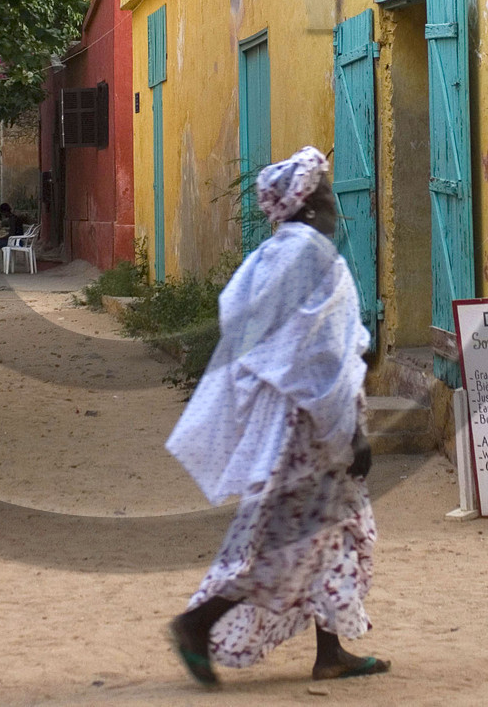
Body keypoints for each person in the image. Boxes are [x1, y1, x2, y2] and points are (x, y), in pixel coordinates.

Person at [165, 147, 385, 686]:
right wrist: (350, 432)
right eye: (327, 195)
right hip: (311, 429)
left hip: (286, 422)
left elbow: (251, 326)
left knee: (330, 535)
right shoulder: (313, 257)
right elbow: (320, 357)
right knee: (295, 542)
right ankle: (198, 622)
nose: (335, 205)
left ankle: (331, 653)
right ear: (306, 205)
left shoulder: (273, 255)